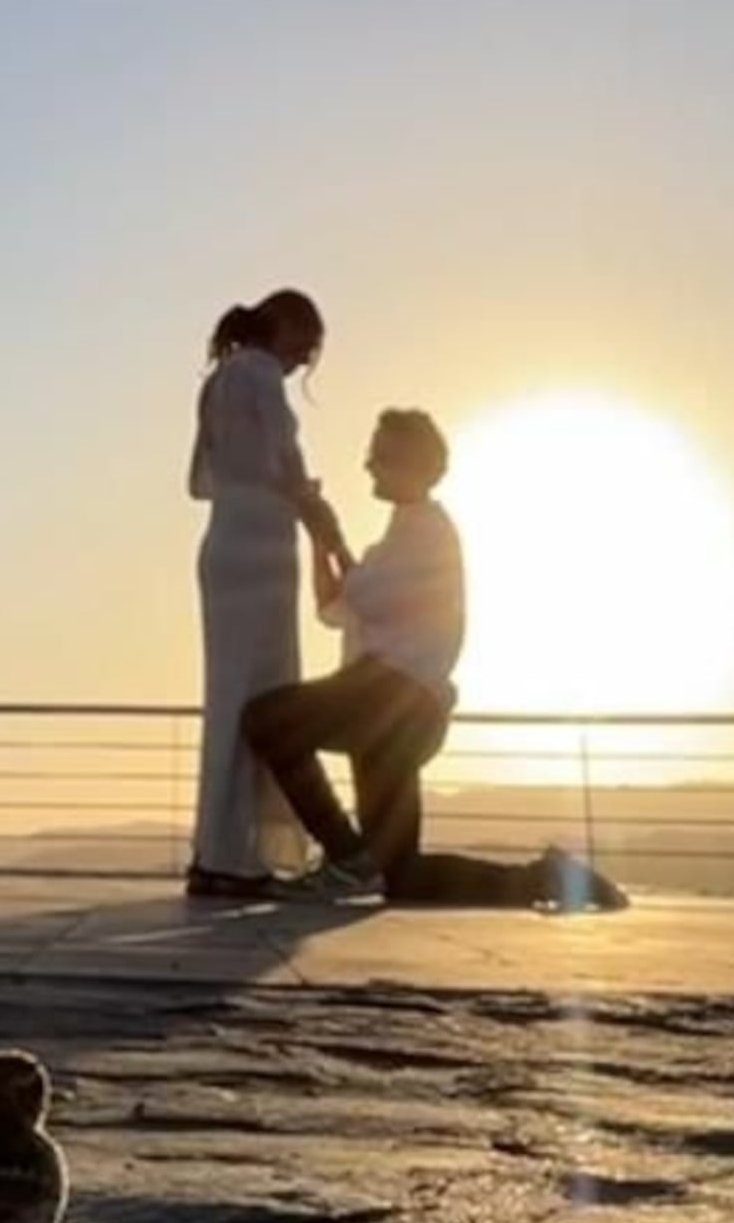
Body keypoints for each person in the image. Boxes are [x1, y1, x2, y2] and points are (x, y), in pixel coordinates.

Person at [241, 408, 625, 911]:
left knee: (268, 719)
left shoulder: (427, 534)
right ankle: (550, 878)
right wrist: (321, 540)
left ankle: (348, 855)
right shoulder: (398, 540)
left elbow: (360, 595)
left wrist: (331, 537)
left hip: (389, 697)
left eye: (381, 455)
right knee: (402, 875)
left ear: (414, 463)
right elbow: (334, 606)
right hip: (392, 710)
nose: (369, 464)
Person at [186, 289, 349, 898]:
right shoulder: (256, 374)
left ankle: (220, 852)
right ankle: (236, 859)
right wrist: (320, 518)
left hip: (228, 540)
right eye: (304, 346)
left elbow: (205, 481)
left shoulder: (222, 379)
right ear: (283, 326)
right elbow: (283, 465)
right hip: (260, 549)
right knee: (259, 701)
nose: (302, 361)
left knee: (230, 698)